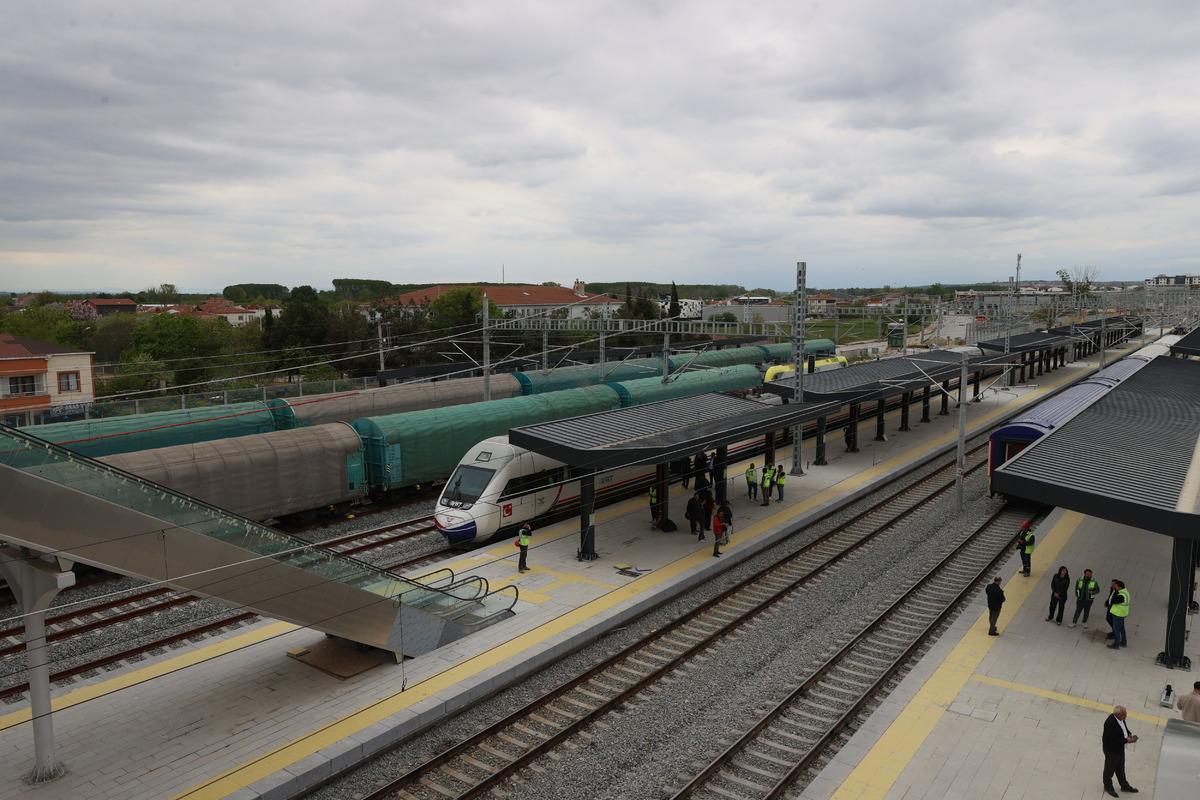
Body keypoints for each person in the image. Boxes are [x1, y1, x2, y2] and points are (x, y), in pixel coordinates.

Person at [1101, 706, 1139, 797]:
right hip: (1112, 751)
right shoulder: (1110, 723)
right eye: (1124, 715)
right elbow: (1115, 740)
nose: (1126, 716)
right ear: (1118, 715)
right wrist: (1128, 740)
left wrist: (1129, 734)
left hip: (1119, 750)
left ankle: (1124, 786)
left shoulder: (1120, 719)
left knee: (1121, 769)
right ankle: (1108, 787)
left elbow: (1124, 728)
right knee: (1109, 770)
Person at [1109, 580, 1130, 650]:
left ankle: (1116, 644)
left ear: (1120, 587)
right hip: (1122, 613)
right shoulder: (1125, 592)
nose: (1114, 587)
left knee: (1116, 629)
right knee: (1122, 629)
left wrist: (1114, 593)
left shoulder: (1121, 595)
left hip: (1118, 614)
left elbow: (1113, 600)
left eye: (1116, 586)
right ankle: (1124, 642)